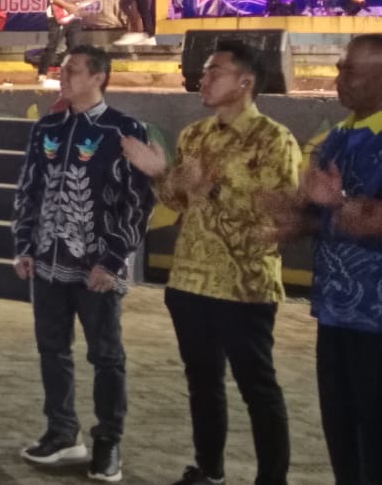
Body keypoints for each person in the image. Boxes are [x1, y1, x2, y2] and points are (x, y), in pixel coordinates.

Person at [121, 39, 296, 485]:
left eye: (215, 70)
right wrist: (160, 174)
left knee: (258, 387)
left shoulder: (273, 139)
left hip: (244, 284)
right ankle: (210, 470)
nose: (204, 78)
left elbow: (278, 213)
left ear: (245, 82)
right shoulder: (195, 135)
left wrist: (211, 188)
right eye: (204, 71)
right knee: (202, 383)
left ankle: (271, 478)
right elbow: (180, 202)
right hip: (190, 280)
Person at [12, 45, 154, 482]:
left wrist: (112, 259)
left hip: (97, 268)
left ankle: (108, 442)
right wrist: (23, 244)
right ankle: (62, 433)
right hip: (47, 262)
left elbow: (137, 202)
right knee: (52, 350)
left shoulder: (123, 129)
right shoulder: (48, 127)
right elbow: (29, 187)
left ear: (98, 77)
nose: (64, 76)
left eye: (74, 70)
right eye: (63, 69)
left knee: (106, 356)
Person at [262, 34, 382, 484]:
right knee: (343, 435)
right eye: (340, 68)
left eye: (350, 70)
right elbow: (320, 218)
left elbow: (369, 219)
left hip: (376, 318)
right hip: (335, 312)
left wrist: (336, 201)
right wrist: (288, 217)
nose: (339, 77)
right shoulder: (339, 136)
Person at [38, 0, 89, 83]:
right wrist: (66, 6)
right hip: (58, 14)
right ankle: (42, 73)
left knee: (75, 46)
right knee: (53, 45)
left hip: (73, 15)